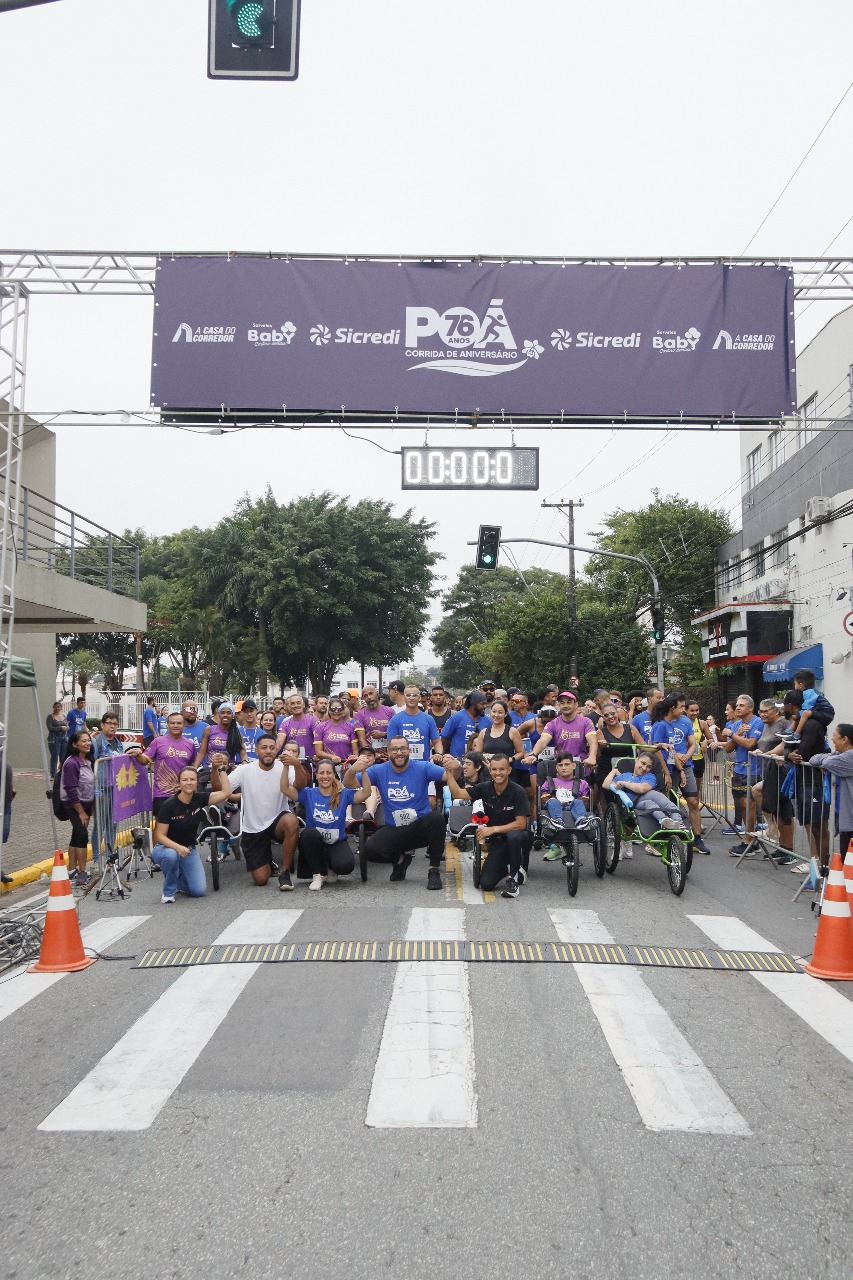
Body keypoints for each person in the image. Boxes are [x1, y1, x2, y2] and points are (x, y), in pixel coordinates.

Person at [344, 738, 450, 889]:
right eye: (394, 749)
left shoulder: (423, 767)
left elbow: (448, 776)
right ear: (388, 752)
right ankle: (401, 859)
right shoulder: (379, 770)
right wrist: (353, 769)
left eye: (403, 749)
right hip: (395, 828)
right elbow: (349, 783)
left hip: (420, 827)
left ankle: (433, 870)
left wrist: (455, 766)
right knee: (370, 850)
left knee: (437, 818)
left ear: (409, 751)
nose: (399, 753)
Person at [222, 737, 306, 889]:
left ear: (277, 750)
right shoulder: (244, 770)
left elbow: (300, 785)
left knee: (292, 821)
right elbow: (223, 788)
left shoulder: (285, 766)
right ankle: (267, 861)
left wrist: (297, 764)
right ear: (256, 750)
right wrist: (217, 770)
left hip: (277, 822)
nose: (268, 751)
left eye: (272, 748)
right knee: (261, 880)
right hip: (253, 827)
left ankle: (285, 872)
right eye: (264, 747)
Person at [444, 752, 530, 899]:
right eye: (494, 769)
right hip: (498, 841)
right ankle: (510, 867)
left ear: (509, 770)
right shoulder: (484, 788)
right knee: (486, 884)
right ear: (489, 771)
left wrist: (493, 829)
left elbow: (521, 824)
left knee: (513, 835)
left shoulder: (518, 791)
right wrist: (448, 772)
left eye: (502, 769)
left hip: (519, 837)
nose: (498, 773)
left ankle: (512, 879)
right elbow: (458, 793)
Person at [152, 760, 232, 904]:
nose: (189, 783)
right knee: (171, 856)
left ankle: (178, 878)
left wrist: (222, 770)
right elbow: (159, 836)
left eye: (192, 779)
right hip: (166, 849)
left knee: (198, 891)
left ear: (196, 782)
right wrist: (178, 848)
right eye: (185, 780)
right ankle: (168, 892)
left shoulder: (199, 799)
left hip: (188, 850)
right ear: (179, 783)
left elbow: (226, 793)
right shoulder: (169, 805)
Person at [282, 758, 356, 891]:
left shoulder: (343, 794)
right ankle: (318, 875)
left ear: (334, 775)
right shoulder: (308, 793)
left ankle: (331, 867)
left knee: (346, 865)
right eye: (321, 773)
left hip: (336, 842)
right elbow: (284, 788)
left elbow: (366, 793)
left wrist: (362, 771)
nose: (325, 776)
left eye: (329, 773)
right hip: (315, 842)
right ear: (316, 775)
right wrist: (287, 766)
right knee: (308, 833)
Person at [651, 695, 710, 854]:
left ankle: (697, 838)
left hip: (685, 765)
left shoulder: (684, 722)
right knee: (668, 802)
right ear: (672, 709)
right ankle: (665, 838)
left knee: (693, 801)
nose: (683, 710)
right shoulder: (661, 725)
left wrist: (686, 759)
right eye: (681, 707)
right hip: (668, 768)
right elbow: (658, 750)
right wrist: (667, 773)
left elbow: (692, 743)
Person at [782, 690, 831, 872]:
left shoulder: (811, 725)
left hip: (814, 781)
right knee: (811, 825)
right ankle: (815, 865)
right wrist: (789, 754)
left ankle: (823, 869)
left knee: (818, 826)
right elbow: (787, 747)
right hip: (802, 779)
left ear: (789, 706)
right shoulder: (797, 724)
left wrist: (794, 754)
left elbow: (804, 752)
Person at [129, 711, 198, 819]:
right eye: (172, 723)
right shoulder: (158, 742)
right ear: (167, 724)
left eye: (179, 723)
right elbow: (144, 760)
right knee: (160, 830)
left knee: (181, 829)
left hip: (183, 794)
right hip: (161, 795)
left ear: (184, 725)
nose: (175, 725)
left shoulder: (190, 744)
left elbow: (192, 767)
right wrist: (138, 755)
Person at [751, 698, 795, 862]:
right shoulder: (766, 725)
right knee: (773, 806)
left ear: (776, 711)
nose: (762, 714)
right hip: (769, 773)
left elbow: (785, 744)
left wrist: (770, 754)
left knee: (785, 811)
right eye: (760, 711)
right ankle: (781, 845)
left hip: (782, 772)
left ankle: (788, 850)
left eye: (765, 711)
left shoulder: (784, 724)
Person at [603, 752, 689, 834]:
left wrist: (625, 783)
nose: (644, 768)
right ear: (636, 760)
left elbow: (642, 789)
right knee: (651, 799)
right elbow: (605, 785)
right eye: (643, 763)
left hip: (644, 800)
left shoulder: (649, 776)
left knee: (654, 801)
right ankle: (668, 821)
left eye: (648, 767)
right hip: (631, 804)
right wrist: (614, 771)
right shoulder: (624, 775)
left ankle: (674, 823)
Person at [723, 694, 764, 855]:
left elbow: (750, 744)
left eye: (741, 705)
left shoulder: (757, 722)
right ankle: (750, 839)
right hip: (739, 769)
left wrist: (733, 734)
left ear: (750, 708)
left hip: (752, 769)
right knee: (743, 805)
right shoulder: (737, 724)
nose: (738, 708)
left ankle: (749, 841)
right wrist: (737, 733)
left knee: (749, 805)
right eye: (737, 705)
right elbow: (728, 749)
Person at [810, 724, 853, 865]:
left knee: (848, 858)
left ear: (844, 739)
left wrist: (830, 757)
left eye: (834, 735)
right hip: (845, 814)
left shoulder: (849, 757)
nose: (832, 739)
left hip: (850, 815)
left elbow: (826, 762)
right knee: (846, 857)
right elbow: (813, 759)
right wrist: (833, 755)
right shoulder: (842, 756)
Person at [525, 691, 597, 773]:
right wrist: (533, 754)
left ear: (576, 704)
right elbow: (543, 741)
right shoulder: (553, 724)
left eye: (569, 702)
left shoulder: (586, 722)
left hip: (580, 769)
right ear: (559, 705)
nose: (565, 706)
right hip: (560, 770)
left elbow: (593, 741)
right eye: (562, 703)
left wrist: (592, 757)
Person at [60, 729, 96, 888]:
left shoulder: (87, 760)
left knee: (76, 834)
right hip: (74, 804)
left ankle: (71, 869)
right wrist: (81, 812)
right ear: (74, 744)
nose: (87, 743)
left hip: (86, 802)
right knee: (82, 834)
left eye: (88, 740)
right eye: (83, 741)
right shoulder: (72, 763)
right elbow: (71, 788)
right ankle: (82, 871)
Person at [595, 703, 646, 796]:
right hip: (607, 771)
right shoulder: (600, 733)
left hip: (629, 771)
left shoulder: (630, 728)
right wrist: (599, 747)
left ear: (617, 713)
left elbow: (645, 748)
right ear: (603, 717)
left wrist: (659, 746)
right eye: (606, 715)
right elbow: (596, 758)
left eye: (612, 713)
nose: (610, 717)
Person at [471, 698, 525, 781]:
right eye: (494, 711)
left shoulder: (513, 732)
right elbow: (477, 754)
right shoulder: (484, 732)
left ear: (505, 714)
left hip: (507, 774)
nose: (496, 715)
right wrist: (483, 757)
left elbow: (521, 752)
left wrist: (510, 759)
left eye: (500, 712)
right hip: (488, 774)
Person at [387, 685, 441, 761]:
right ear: (404, 698)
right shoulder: (395, 720)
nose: (411, 698)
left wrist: (439, 753)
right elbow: (390, 745)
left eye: (414, 695)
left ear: (419, 698)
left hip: (423, 765)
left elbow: (437, 741)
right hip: (403, 767)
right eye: (408, 695)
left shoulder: (428, 719)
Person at [194, 701, 245, 770]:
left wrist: (245, 764)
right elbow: (201, 753)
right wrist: (194, 769)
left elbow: (243, 753)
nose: (225, 715)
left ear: (233, 716)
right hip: (211, 770)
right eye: (222, 712)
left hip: (229, 770)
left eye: (229, 713)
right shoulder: (209, 730)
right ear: (219, 715)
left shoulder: (237, 733)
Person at [440, 691, 489, 759]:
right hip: (457, 760)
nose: (485, 706)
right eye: (482, 704)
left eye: (485, 704)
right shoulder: (457, 717)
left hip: (478, 762)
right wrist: (445, 756)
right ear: (473, 704)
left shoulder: (488, 721)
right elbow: (444, 738)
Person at [791, 668, 835, 739]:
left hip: (826, 714)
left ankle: (796, 734)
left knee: (805, 713)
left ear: (800, 685)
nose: (794, 686)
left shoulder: (809, 693)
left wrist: (796, 716)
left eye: (795, 684)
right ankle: (790, 731)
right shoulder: (808, 692)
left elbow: (806, 709)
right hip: (819, 712)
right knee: (801, 714)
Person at [352, 686, 395, 755]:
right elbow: (361, 739)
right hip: (371, 756)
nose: (369, 697)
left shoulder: (390, 711)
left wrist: (383, 734)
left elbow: (396, 734)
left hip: (389, 754)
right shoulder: (360, 714)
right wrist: (371, 754)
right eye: (365, 696)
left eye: (371, 693)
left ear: (377, 694)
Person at [313, 698, 356, 766]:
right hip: (327, 765)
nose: (336, 711)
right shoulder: (320, 727)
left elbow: (355, 750)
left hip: (346, 765)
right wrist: (331, 757)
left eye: (339, 709)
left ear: (343, 711)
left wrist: (353, 757)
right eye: (333, 709)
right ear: (329, 711)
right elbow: (318, 752)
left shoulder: (350, 727)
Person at [46, 700, 68, 776]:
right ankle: (53, 774)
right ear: (53, 707)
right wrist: (60, 728)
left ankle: (63, 773)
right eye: (56, 707)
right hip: (54, 739)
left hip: (64, 738)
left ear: (61, 708)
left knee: (63, 756)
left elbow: (67, 725)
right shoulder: (50, 716)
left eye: (59, 707)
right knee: (54, 757)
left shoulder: (64, 716)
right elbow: (50, 728)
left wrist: (66, 728)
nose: (57, 708)